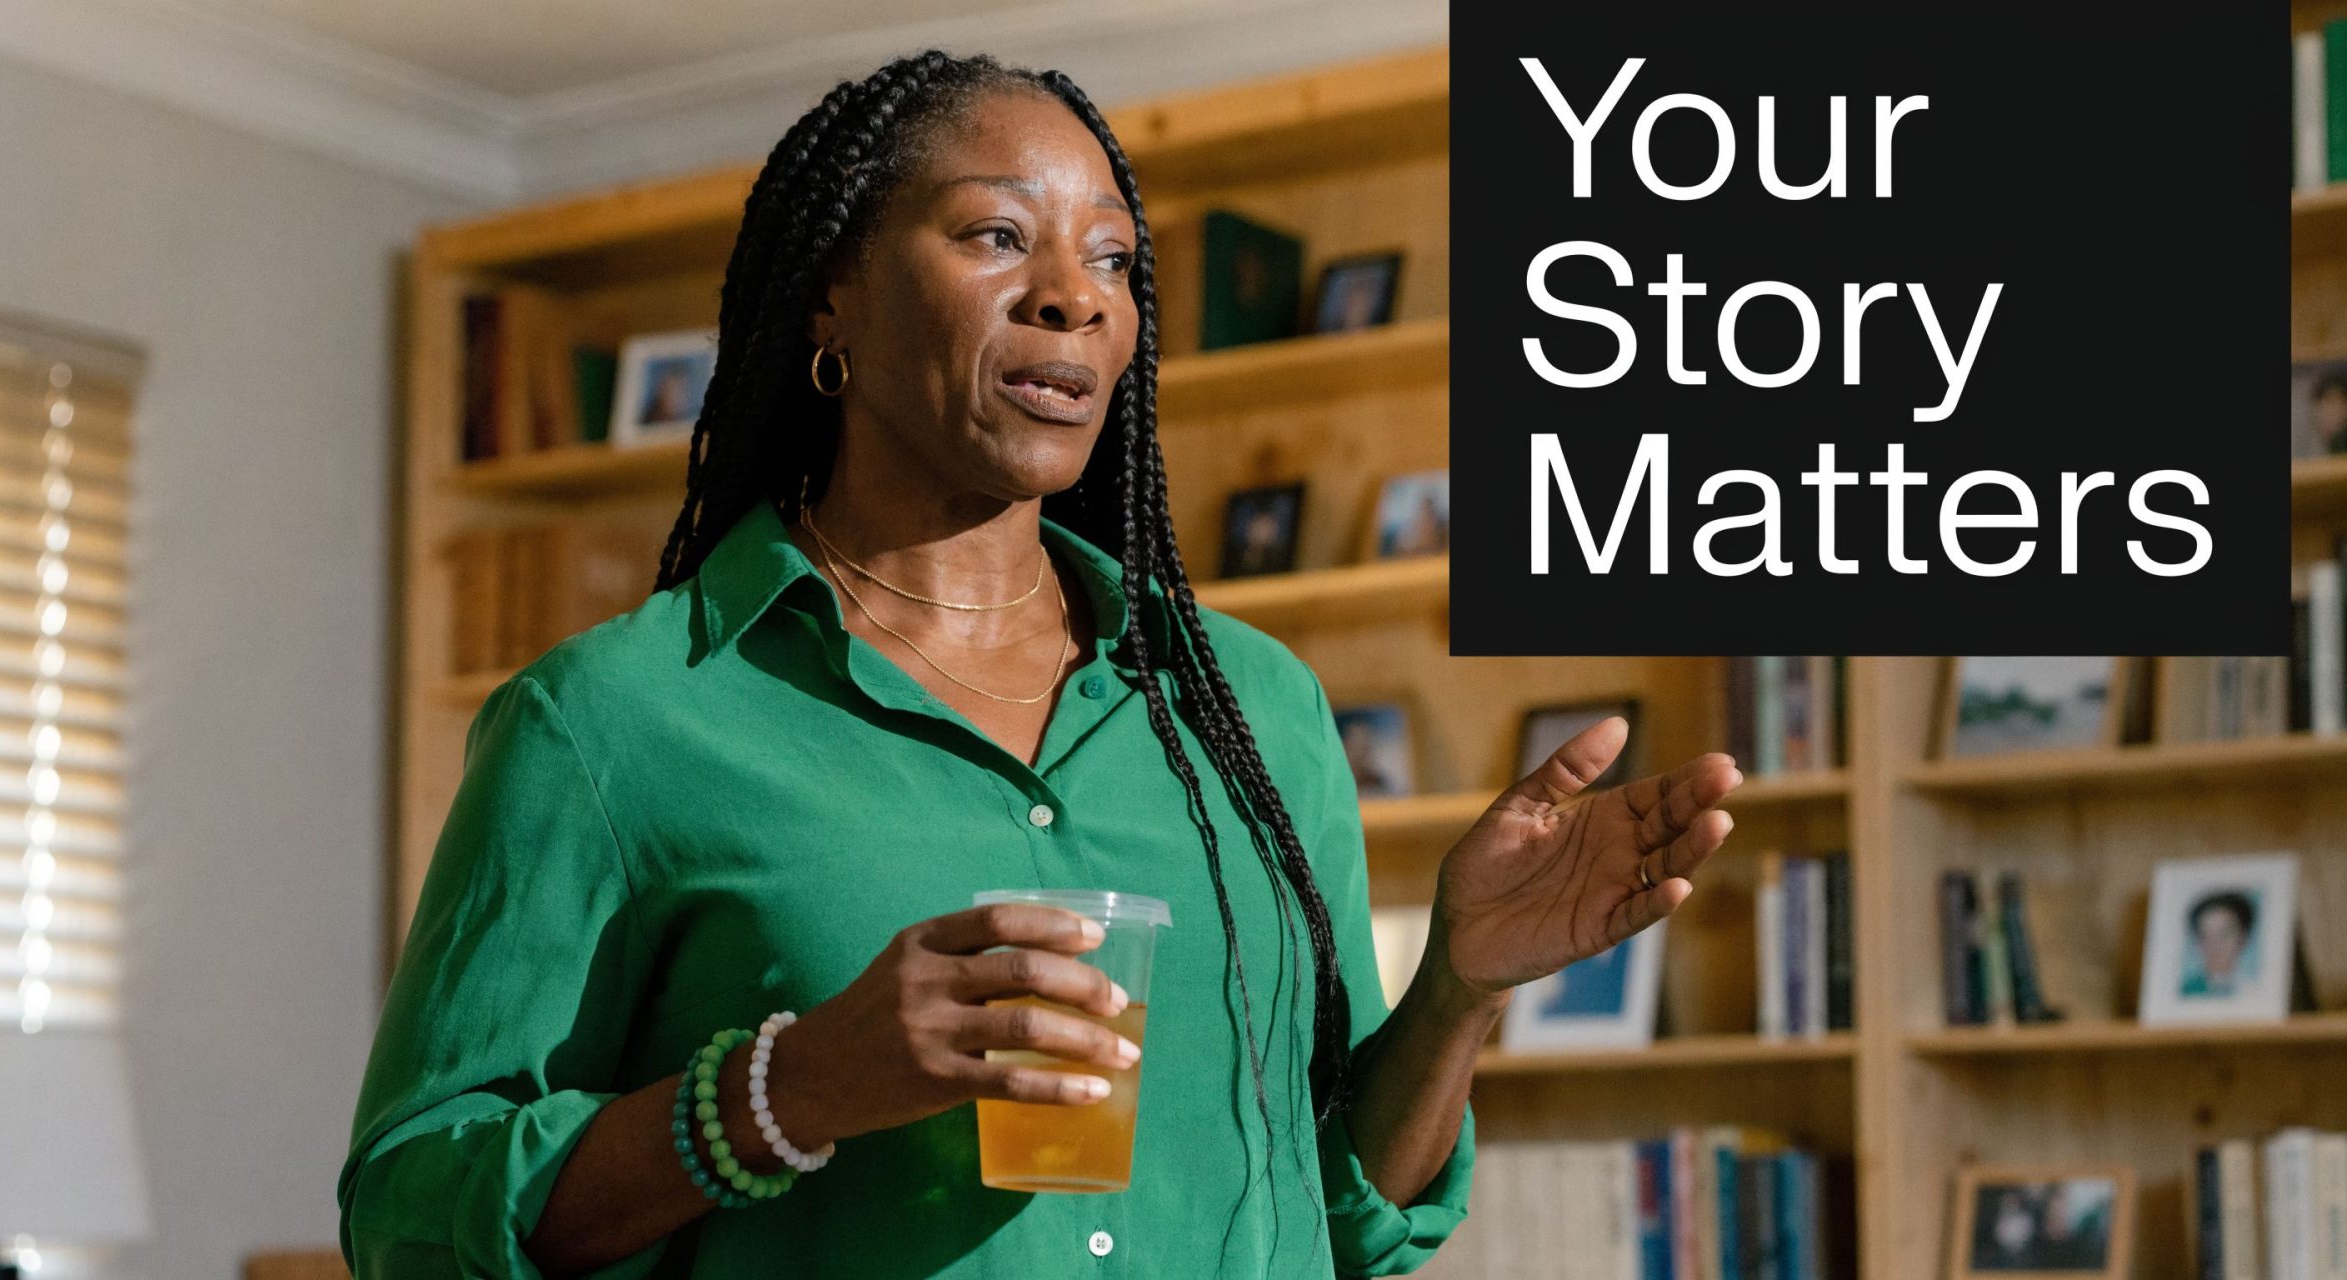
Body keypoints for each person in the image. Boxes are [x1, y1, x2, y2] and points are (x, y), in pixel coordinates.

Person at [337, 49, 1738, 1279]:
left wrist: (1463, 988)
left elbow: (1350, 1221)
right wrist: (794, 1086)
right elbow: (411, 1216)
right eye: (998, 236)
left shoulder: (1254, 712)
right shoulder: (614, 725)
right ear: (833, 296)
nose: (1073, 297)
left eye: (1114, 261)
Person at [2182, 890, 2257, 998]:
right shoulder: (2187, 991)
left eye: (2224, 935)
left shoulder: (2254, 990)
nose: (2214, 946)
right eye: (2205, 936)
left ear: (2243, 939)